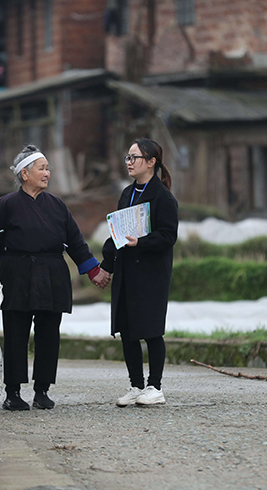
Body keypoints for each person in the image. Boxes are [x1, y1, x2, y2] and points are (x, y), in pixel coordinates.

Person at [0, 144, 108, 411]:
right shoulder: (5, 205)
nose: (47, 173)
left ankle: (42, 389)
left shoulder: (57, 206)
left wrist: (93, 270)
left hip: (52, 272)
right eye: (42, 168)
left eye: (48, 168)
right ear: (24, 174)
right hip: (17, 274)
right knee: (16, 333)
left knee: (48, 334)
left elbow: (76, 241)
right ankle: (13, 392)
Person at [99, 138, 178, 407]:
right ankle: (136, 385)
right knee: (128, 329)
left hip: (150, 274)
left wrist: (140, 243)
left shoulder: (163, 196)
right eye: (128, 158)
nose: (130, 163)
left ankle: (155, 386)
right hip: (126, 272)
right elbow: (116, 232)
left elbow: (168, 236)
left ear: (151, 161)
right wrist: (106, 266)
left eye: (135, 157)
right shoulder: (126, 193)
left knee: (152, 330)